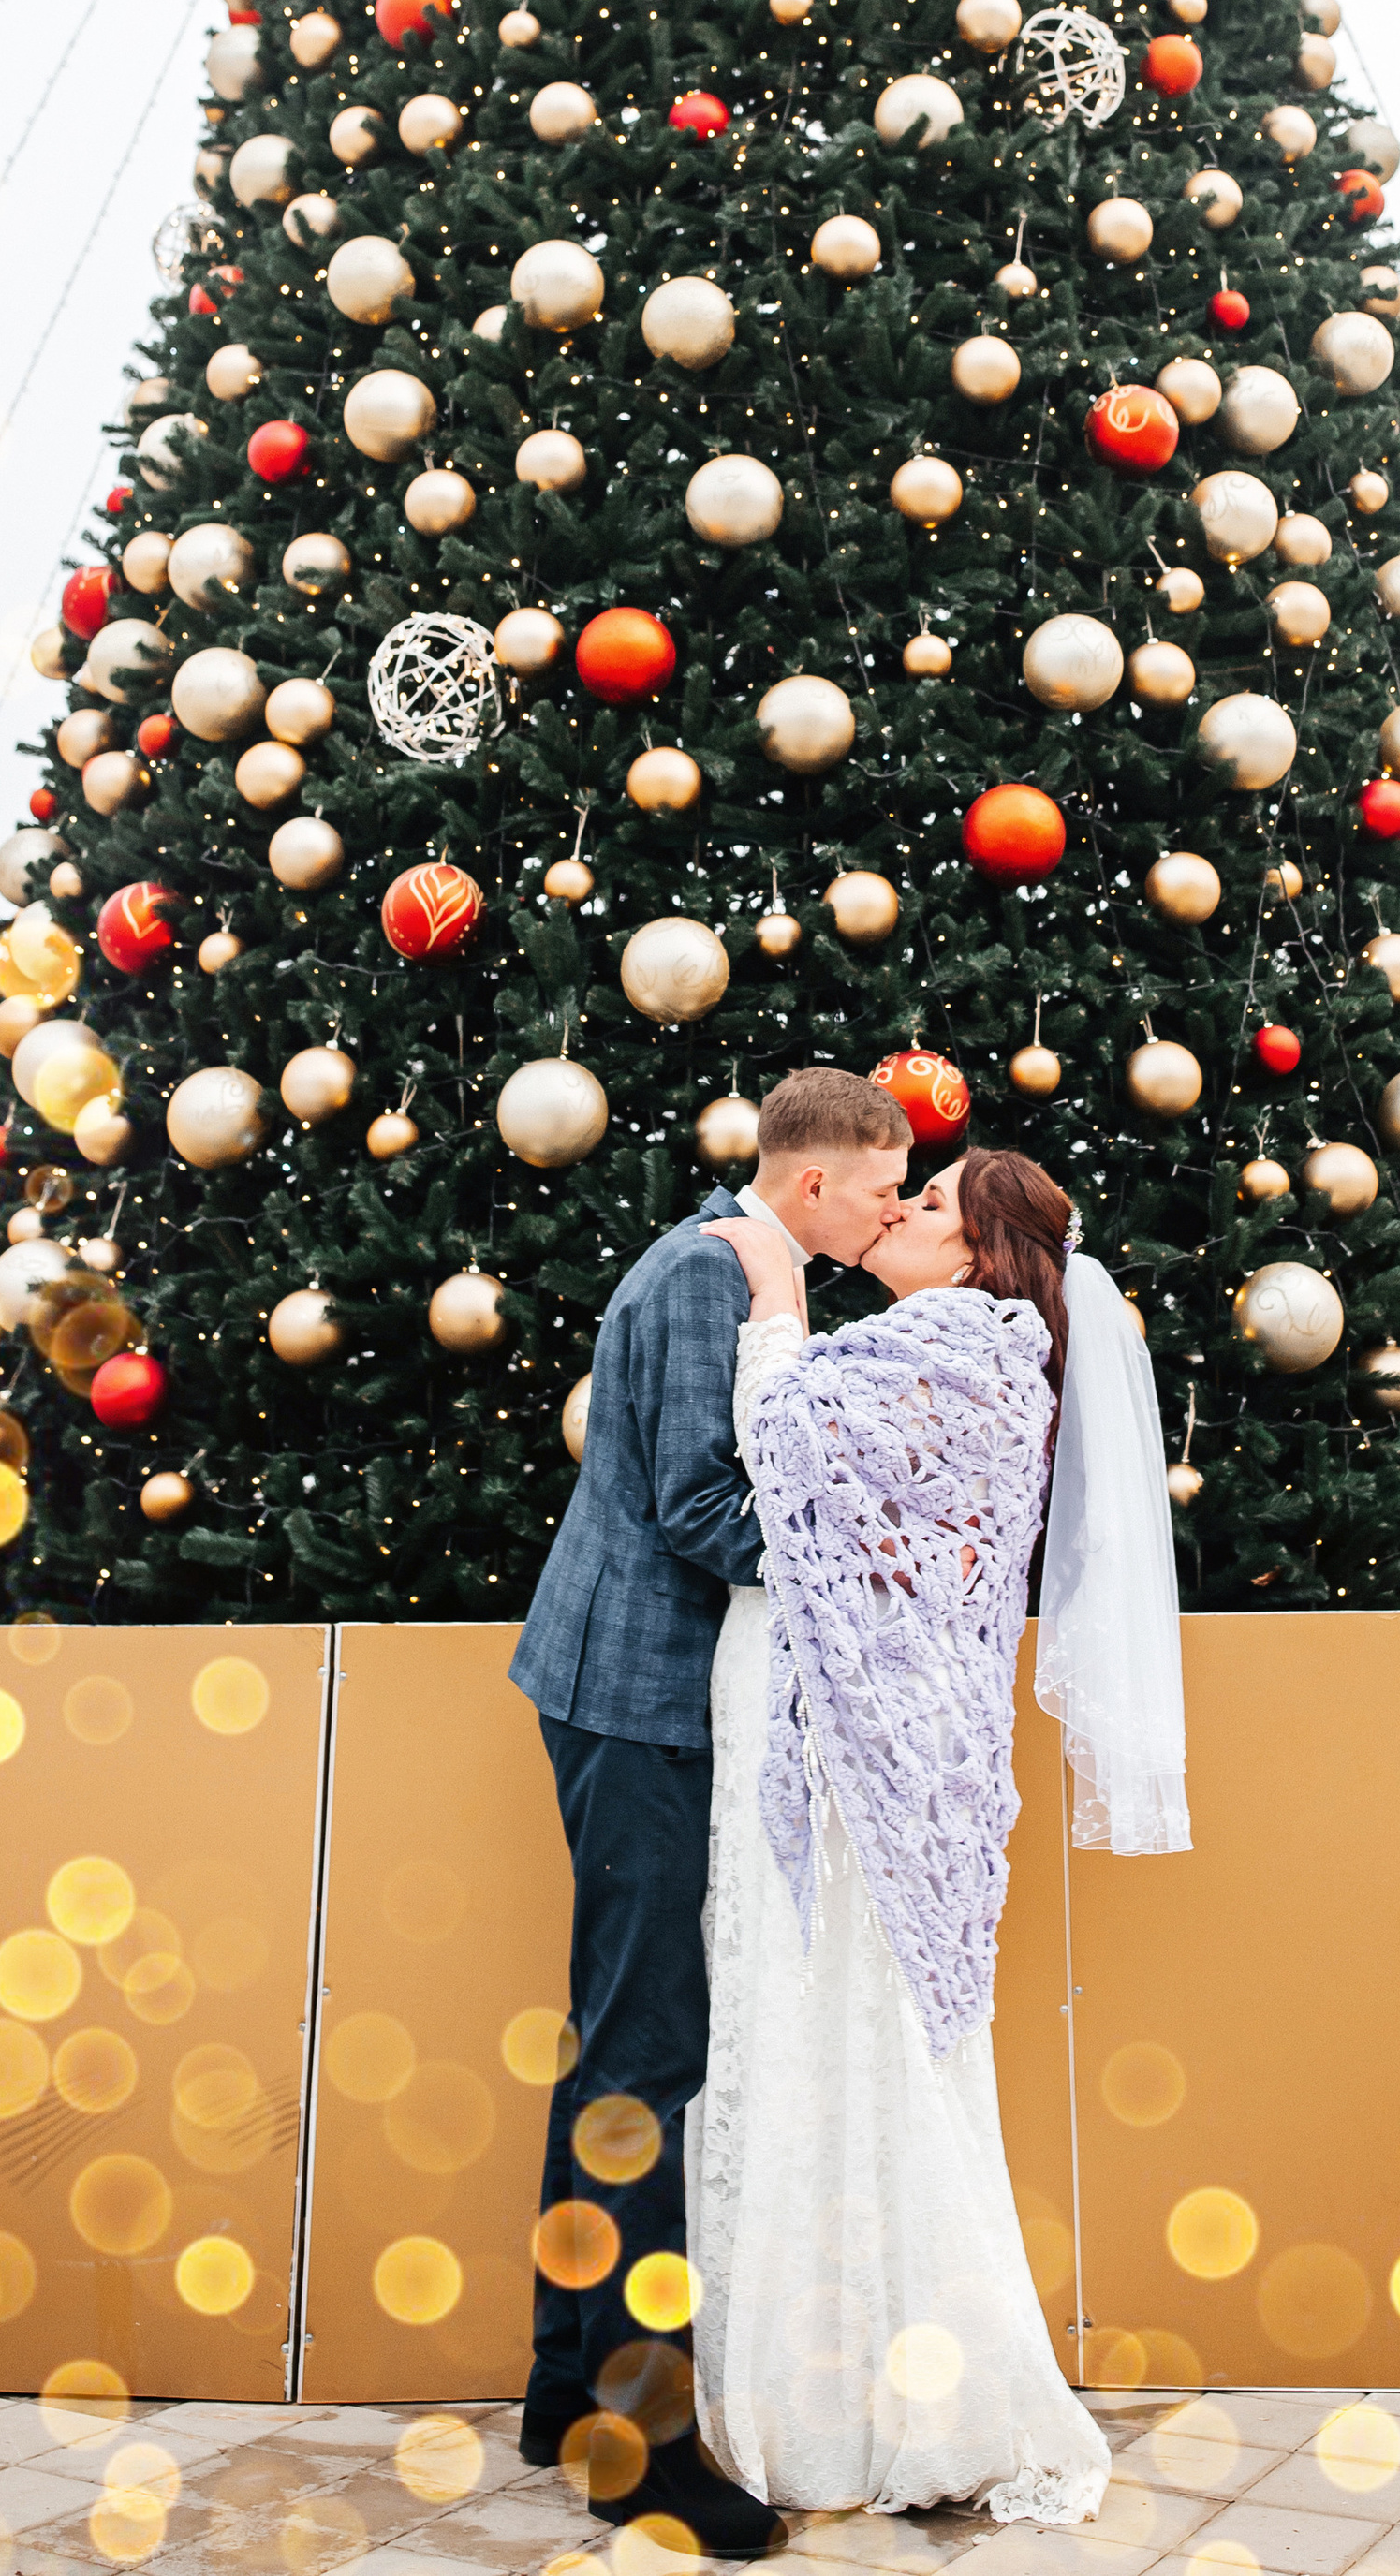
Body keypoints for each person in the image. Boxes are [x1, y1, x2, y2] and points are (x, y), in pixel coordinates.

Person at [688, 1147, 1191, 2523]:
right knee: (859, 2039)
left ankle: (895, 2400)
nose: (902, 1209)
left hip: (876, 1763)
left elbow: (784, 1442)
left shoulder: (966, 1340)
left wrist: (778, 1296)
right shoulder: (964, 1336)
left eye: (927, 1202)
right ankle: (867, 2382)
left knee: (856, 2033)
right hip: (889, 1750)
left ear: (974, 1249)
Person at [508, 1065, 912, 2559]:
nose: (891, 1210)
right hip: (633, 1694)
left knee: (624, 2037)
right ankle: (636, 2438)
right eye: (883, 1187)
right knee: (648, 2050)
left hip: (653, 1697)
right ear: (812, 1184)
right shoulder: (702, 1275)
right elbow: (696, 1503)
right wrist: (864, 1565)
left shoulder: (752, 1272)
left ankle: (563, 2384)